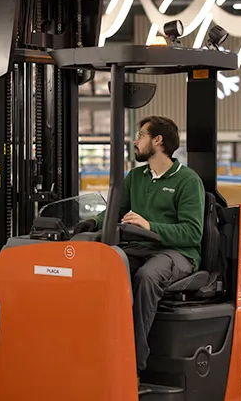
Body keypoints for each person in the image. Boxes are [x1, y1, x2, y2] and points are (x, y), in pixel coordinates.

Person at [74, 116, 204, 372]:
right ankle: (97, 347)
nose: (135, 140)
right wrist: (92, 224)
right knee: (104, 268)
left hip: (177, 253)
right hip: (141, 249)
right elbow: (114, 211)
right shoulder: (135, 177)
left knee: (146, 276)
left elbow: (192, 233)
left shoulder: (187, 181)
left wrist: (150, 226)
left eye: (141, 135)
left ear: (158, 140)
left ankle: (133, 362)